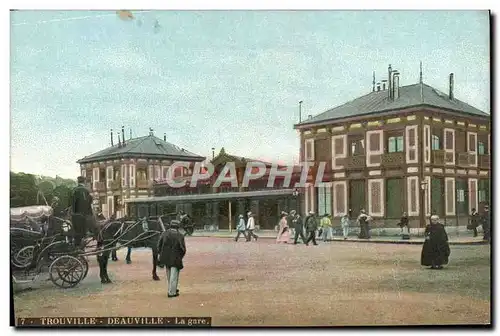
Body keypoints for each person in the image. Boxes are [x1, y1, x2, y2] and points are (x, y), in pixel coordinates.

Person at [157, 220, 186, 298]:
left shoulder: (164, 234)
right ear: (177, 227)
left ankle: (172, 289)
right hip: (176, 258)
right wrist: (180, 257)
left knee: (169, 275)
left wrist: (162, 254)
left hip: (166, 258)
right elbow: (183, 249)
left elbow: (159, 246)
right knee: (174, 275)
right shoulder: (180, 236)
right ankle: (171, 292)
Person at [69, 176, 98, 248]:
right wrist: (91, 198)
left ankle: (76, 244)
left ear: (78, 181)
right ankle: (95, 235)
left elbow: (71, 202)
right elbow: (86, 203)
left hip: (74, 216)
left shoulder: (74, 190)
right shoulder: (85, 190)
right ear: (84, 182)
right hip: (84, 215)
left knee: (77, 234)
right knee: (96, 223)